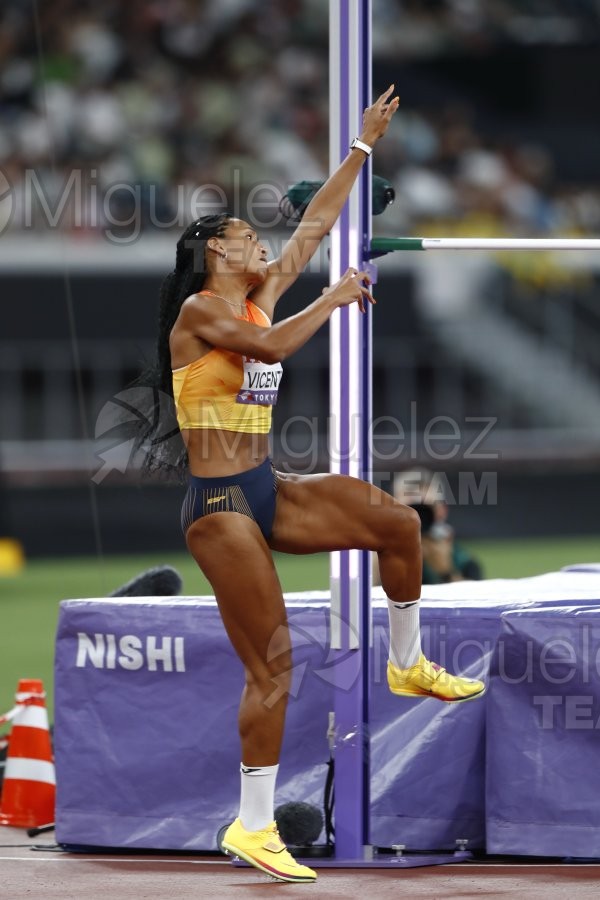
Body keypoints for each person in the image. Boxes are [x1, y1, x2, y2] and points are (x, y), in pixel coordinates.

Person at [139, 86, 484, 885]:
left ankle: (407, 661)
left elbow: (316, 226)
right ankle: (253, 824)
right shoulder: (200, 311)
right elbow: (271, 354)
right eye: (245, 238)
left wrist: (361, 149)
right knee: (275, 669)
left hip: (266, 485)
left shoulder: (256, 299)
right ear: (213, 254)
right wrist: (332, 296)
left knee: (396, 524)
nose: (262, 246)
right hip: (220, 510)